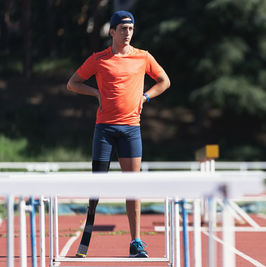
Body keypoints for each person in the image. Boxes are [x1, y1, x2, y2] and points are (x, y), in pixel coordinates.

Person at [66, 10, 170, 258]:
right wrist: (96, 94)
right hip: (105, 130)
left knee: (132, 186)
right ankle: (86, 238)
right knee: (97, 186)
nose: (127, 33)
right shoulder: (99, 59)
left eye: (131, 29)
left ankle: (135, 243)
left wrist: (145, 96)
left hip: (131, 130)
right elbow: (73, 83)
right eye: (123, 28)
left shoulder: (143, 57)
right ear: (112, 31)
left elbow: (164, 81)